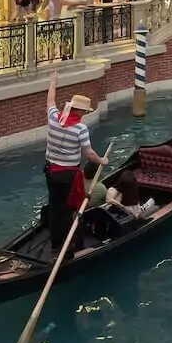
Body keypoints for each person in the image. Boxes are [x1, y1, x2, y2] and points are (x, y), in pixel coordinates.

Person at [44, 70, 108, 256]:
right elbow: (89, 154)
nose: (84, 114)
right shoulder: (80, 128)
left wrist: (53, 82)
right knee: (69, 209)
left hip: (50, 172)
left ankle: (55, 244)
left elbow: (50, 100)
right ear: (79, 111)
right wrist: (102, 160)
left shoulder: (53, 118)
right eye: (84, 111)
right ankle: (69, 247)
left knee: (54, 207)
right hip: (68, 175)